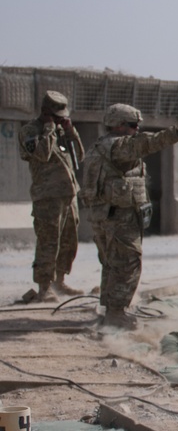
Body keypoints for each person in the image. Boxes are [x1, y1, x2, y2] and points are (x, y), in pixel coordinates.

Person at [81, 104, 178, 329]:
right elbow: (152, 142)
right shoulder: (119, 146)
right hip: (119, 217)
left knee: (111, 263)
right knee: (127, 263)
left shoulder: (98, 146)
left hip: (102, 215)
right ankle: (115, 315)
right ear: (119, 126)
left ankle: (111, 309)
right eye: (133, 125)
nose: (137, 129)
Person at [17, 90, 86, 303]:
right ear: (46, 112)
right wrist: (48, 129)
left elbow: (79, 157)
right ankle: (44, 287)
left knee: (68, 241)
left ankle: (60, 281)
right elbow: (42, 154)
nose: (59, 120)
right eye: (56, 117)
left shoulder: (60, 130)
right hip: (47, 197)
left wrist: (71, 132)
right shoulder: (31, 131)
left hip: (68, 194)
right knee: (49, 241)